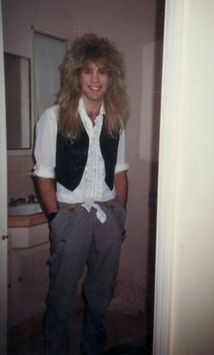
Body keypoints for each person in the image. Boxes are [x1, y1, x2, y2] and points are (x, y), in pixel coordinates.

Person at [33, 33, 129, 355]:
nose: (95, 79)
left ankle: (94, 348)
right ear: (77, 75)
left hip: (107, 213)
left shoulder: (115, 119)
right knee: (61, 295)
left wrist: (119, 215)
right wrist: (56, 218)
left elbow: (120, 171)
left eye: (101, 71)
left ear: (110, 77)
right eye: (88, 70)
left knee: (101, 294)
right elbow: (44, 173)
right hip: (71, 215)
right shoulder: (54, 117)